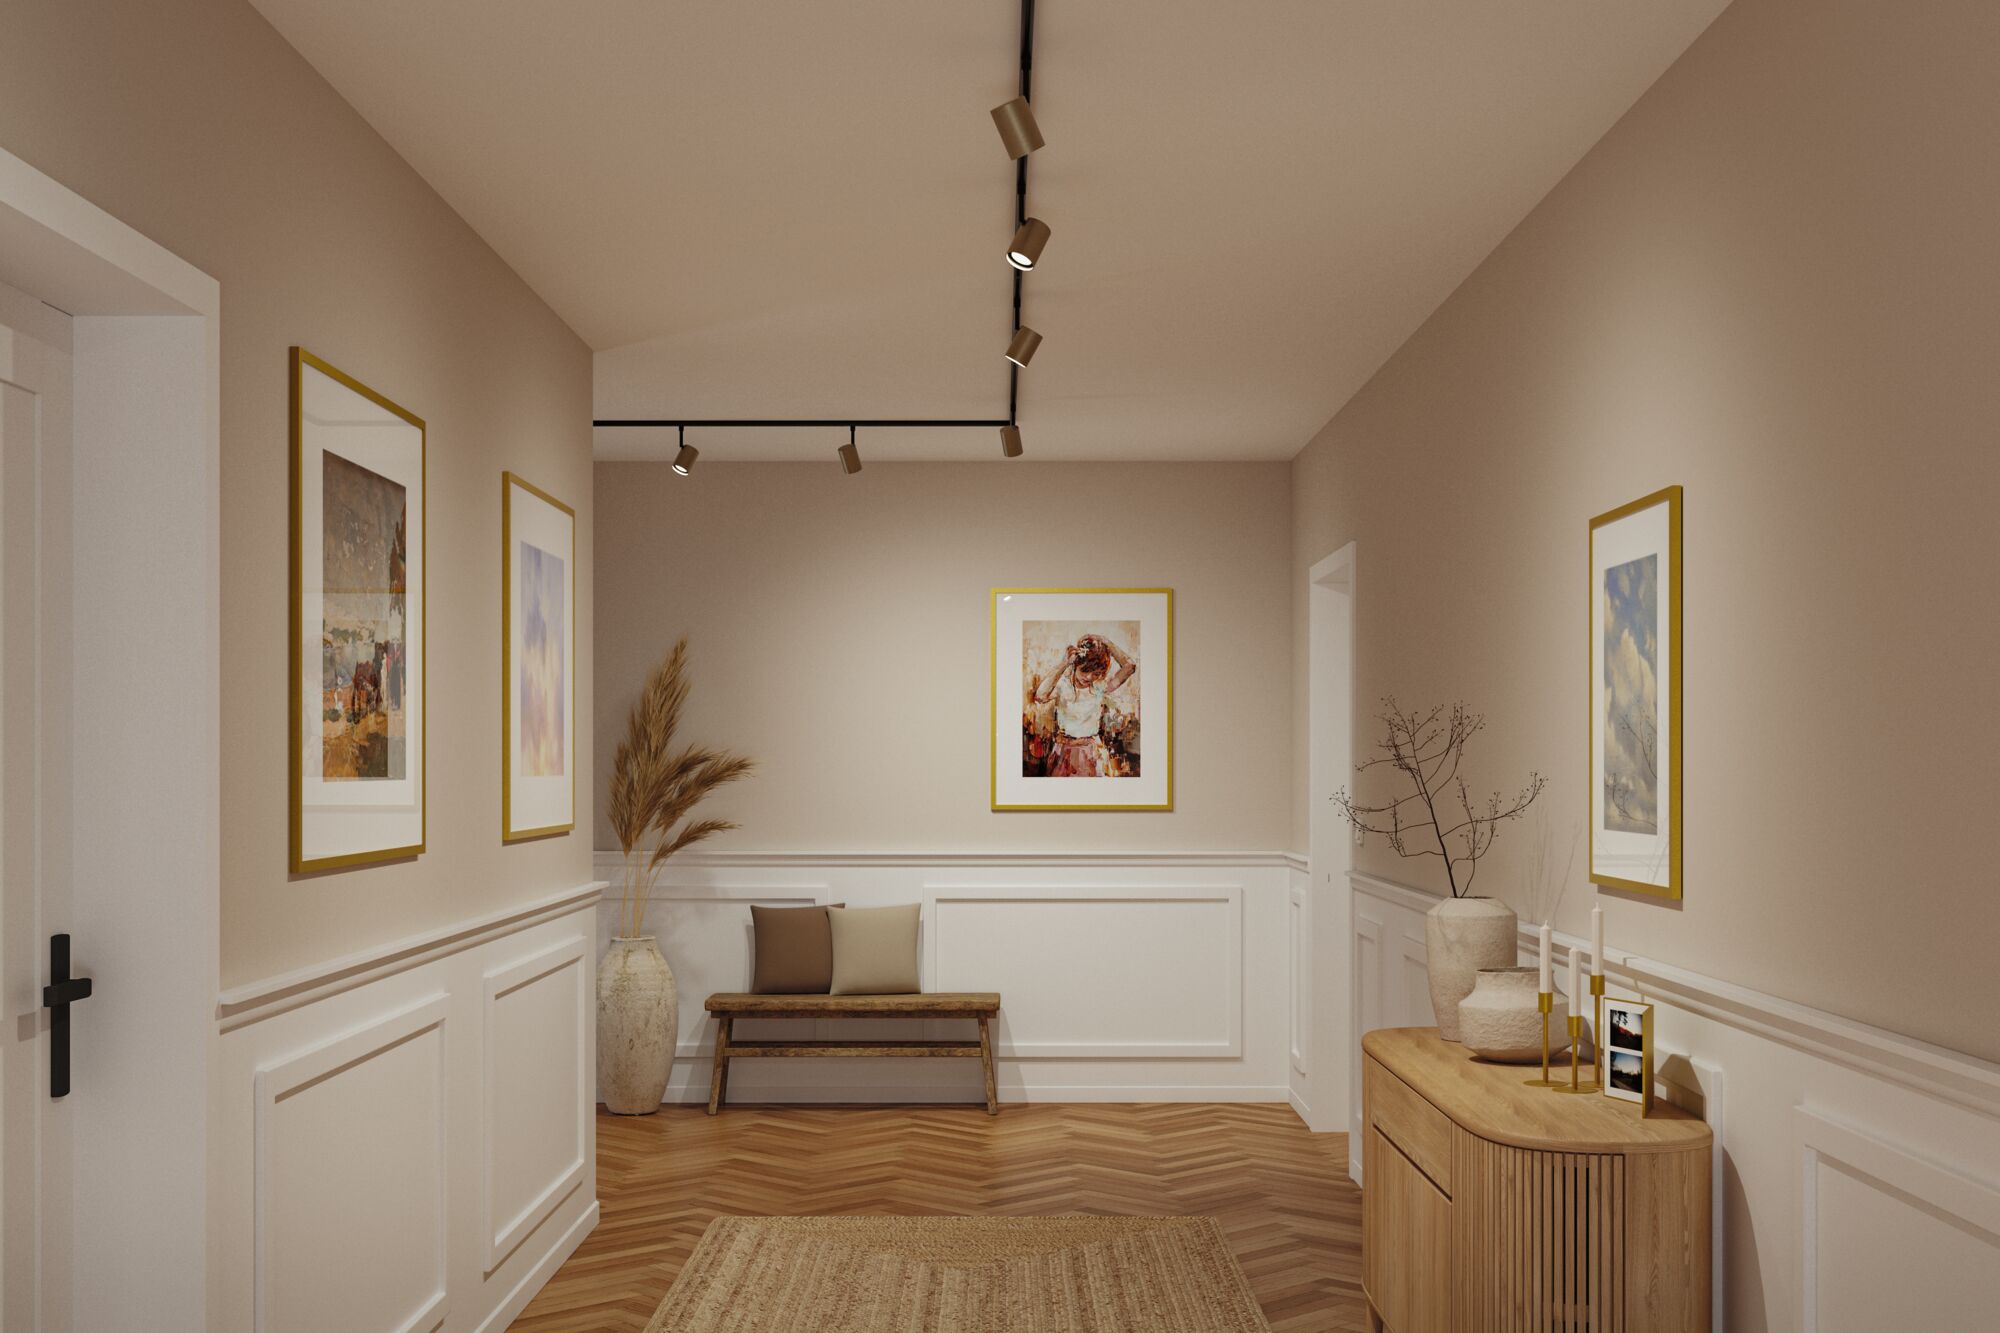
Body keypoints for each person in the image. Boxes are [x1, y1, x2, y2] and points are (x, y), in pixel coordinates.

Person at [1032, 633, 1136, 776]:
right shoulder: (1063, 685)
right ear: (1076, 664)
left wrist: (1106, 642)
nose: (1089, 677)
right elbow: (1040, 696)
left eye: (1096, 673)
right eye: (1085, 670)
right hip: (1064, 750)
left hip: (1090, 752)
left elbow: (1130, 666)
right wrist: (1064, 663)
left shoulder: (1099, 687)